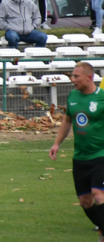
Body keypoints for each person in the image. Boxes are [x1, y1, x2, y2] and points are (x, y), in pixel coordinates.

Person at [49, 62, 104, 238]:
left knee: (98, 193)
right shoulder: (73, 95)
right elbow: (67, 121)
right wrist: (57, 143)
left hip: (100, 154)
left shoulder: (102, 98)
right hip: (80, 156)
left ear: (89, 77)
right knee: (85, 201)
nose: (73, 80)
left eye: (76, 76)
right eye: (72, 76)